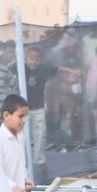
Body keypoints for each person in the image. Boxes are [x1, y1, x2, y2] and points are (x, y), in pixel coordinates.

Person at [23, 46, 60, 174]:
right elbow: (10, 67)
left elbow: (59, 69)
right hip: (23, 108)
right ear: (26, 58)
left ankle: (39, 160)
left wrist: (73, 71)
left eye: (36, 59)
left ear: (41, 60)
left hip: (38, 107)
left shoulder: (43, 69)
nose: (33, 62)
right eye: (31, 58)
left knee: (40, 135)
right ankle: (23, 161)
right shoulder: (21, 68)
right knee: (22, 136)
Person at [0, 94, 33, 192]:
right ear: (6, 116)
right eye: (21, 116)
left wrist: (25, 180)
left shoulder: (21, 137)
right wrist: (12, 186)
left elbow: (21, 165)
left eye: (26, 116)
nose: (25, 120)